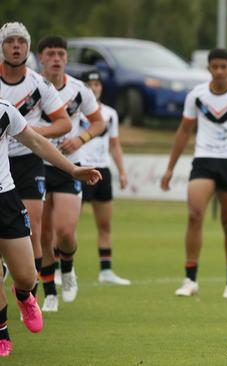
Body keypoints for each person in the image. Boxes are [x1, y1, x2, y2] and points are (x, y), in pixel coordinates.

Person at [0, 99, 101, 356]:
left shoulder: (4, 110)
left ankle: (24, 296)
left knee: (26, 276)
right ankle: (2, 332)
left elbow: (36, 142)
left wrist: (73, 170)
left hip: (5, 200)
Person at [161, 48, 227, 299]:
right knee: (195, 215)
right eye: (214, 67)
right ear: (208, 69)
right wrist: (170, 168)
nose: (218, 71)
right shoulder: (197, 95)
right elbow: (184, 131)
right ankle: (190, 279)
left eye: (223, 67)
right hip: (204, 160)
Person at [0, 22, 72, 299]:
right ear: (2, 47)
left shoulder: (38, 84)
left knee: (32, 225)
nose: (16, 46)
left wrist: (31, 133)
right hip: (2, 162)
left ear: (28, 47)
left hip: (29, 159)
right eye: (10, 41)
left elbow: (64, 122)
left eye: (21, 41)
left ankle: (37, 290)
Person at [37, 35, 106, 312]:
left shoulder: (79, 90)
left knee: (65, 231)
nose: (56, 58)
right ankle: (49, 291)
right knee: (42, 232)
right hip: (36, 164)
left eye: (60, 54)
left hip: (70, 167)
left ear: (66, 58)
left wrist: (81, 138)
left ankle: (68, 268)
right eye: (50, 53)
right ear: (41, 57)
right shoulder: (33, 87)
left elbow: (99, 122)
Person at [79, 69, 130, 285]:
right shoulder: (74, 112)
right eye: (89, 85)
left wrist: (123, 171)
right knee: (67, 225)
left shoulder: (110, 114)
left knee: (105, 224)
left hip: (104, 171)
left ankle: (106, 271)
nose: (94, 88)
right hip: (80, 169)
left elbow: (114, 145)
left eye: (97, 85)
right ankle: (61, 270)